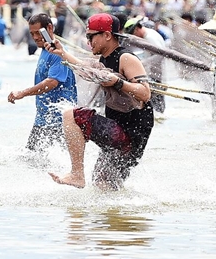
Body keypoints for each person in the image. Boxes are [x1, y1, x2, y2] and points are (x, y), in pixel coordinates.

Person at [47, 13, 154, 189]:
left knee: (72, 116)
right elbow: (88, 69)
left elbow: (145, 93)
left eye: (91, 36)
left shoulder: (126, 58)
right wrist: (63, 53)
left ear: (107, 35)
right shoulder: (104, 58)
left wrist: (118, 83)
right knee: (102, 186)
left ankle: (76, 174)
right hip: (119, 133)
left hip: (130, 136)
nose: (88, 41)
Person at [7, 13, 78, 152]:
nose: (34, 37)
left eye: (38, 33)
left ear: (49, 28)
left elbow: (52, 82)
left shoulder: (58, 53)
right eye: (32, 33)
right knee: (31, 160)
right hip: (43, 118)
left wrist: (22, 93)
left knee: (50, 164)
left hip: (58, 120)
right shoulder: (46, 50)